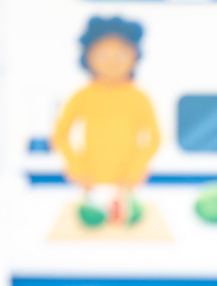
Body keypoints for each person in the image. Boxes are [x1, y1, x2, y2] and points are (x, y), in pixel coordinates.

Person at [52, 16, 161, 228]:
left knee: (127, 223)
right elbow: (61, 134)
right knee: (90, 222)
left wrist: (136, 168)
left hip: (127, 179)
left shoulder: (139, 98)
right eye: (102, 53)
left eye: (120, 53)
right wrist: (76, 166)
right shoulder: (82, 96)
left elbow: (154, 138)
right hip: (89, 176)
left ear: (135, 56)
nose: (112, 61)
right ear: (88, 57)